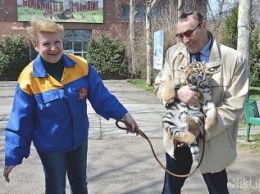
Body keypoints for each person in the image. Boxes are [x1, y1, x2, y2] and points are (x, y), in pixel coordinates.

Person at [3, 17, 139, 194]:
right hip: (51, 146)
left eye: (57, 42)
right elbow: (20, 119)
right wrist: (13, 155)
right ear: (35, 45)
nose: (53, 48)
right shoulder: (28, 78)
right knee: (56, 188)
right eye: (46, 44)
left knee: (80, 184)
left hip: (79, 140)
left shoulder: (80, 66)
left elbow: (102, 96)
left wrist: (124, 115)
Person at [154, 10, 249, 194]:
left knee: (218, 189)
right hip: (179, 137)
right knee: (170, 189)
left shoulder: (234, 59)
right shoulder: (173, 53)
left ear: (204, 25)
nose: (185, 40)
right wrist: (176, 91)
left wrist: (202, 129)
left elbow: (235, 105)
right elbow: (160, 86)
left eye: (189, 33)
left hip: (212, 138)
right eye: (180, 35)